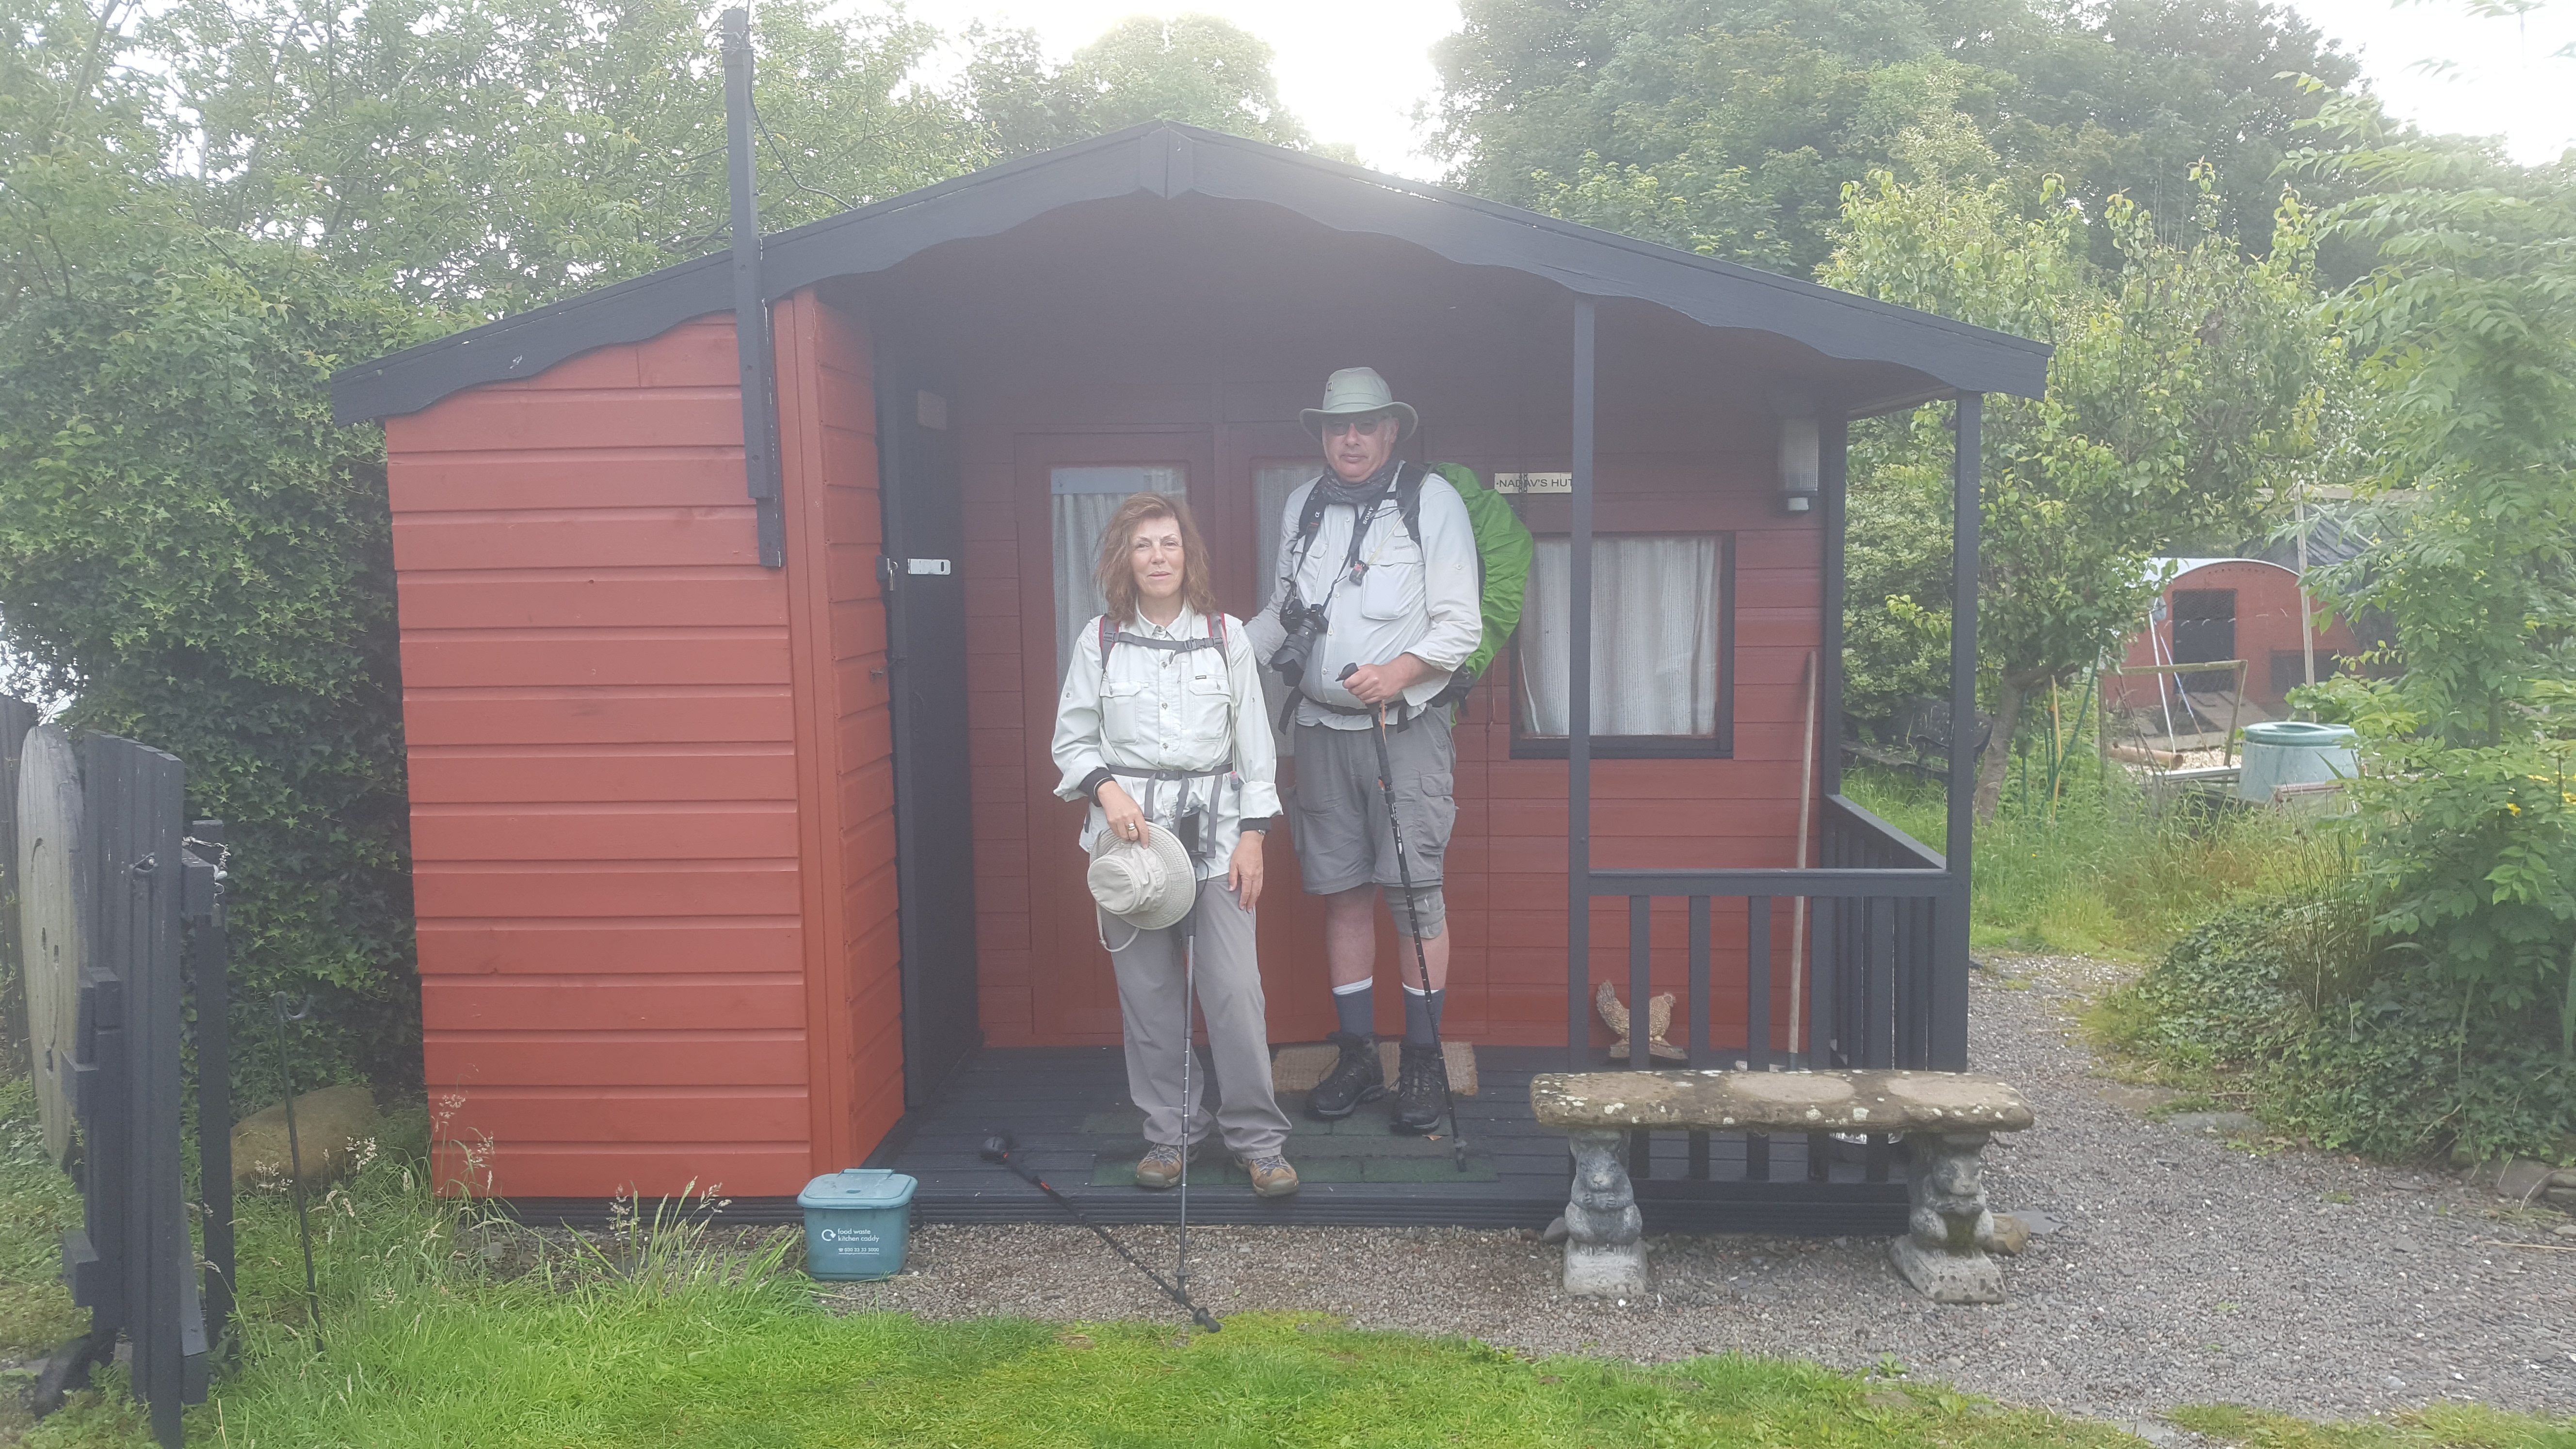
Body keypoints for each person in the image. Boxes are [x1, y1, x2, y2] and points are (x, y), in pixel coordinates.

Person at [1247, 368, 1481, 1132]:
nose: (1350, 438)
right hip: (1317, 732)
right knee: (1343, 892)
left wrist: (1400, 673)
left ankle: (1420, 1061)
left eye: (1366, 425)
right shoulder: (1303, 506)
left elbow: (1460, 625)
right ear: (1323, 434)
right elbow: (1283, 617)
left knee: (1415, 900)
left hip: (1403, 733)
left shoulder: (1430, 501)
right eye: (1337, 426)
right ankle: (1357, 1056)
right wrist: (1207, 659)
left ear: (1391, 432)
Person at [1051, 492, 1298, 1198]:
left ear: (1187, 555)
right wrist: (1108, 791)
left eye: (1169, 544)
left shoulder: (1228, 639)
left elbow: (1257, 750)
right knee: (1150, 998)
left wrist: (1254, 837)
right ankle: (1170, 1137)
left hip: (1218, 841)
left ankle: (1259, 1141)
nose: (1158, 557)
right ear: (1123, 561)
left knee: (1235, 994)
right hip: (1130, 849)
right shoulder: (1099, 640)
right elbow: (1070, 740)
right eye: (1143, 546)